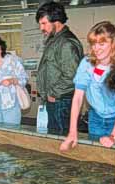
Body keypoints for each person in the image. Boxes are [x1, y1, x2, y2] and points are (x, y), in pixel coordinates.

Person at [60, 21, 115, 151]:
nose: (96, 48)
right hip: (95, 116)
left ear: (114, 43)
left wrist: (113, 135)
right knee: (95, 153)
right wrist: (72, 131)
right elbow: (77, 98)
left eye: (102, 43)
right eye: (93, 43)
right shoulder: (87, 63)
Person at [36, 1, 83, 135]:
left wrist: (53, 93)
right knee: (55, 141)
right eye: (40, 24)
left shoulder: (66, 43)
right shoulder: (55, 40)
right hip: (56, 101)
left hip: (61, 101)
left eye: (44, 23)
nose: (41, 28)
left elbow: (72, 76)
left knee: (61, 141)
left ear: (56, 21)